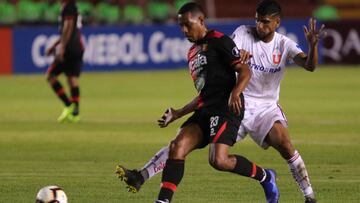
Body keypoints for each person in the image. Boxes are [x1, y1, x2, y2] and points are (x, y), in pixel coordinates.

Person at [117, 1, 325, 203]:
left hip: (259, 107)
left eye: (265, 22)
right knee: (183, 146)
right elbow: (228, 60)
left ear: (277, 22)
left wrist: (313, 46)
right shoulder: (240, 34)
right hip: (231, 102)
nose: (260, 26)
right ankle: (143, 176)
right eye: (257, 21)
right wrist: (180, 111)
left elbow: (308, 65)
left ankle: (308, 196)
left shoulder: (283, 43)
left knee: (285, 145)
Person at [46, 0, 84, 123]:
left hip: (69, 48)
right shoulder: (72, 7)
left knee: (51, 76)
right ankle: (75, 113)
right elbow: (69, 30)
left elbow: (68, 27)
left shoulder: (69, 7)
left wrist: (61, 47)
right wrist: (54, 45)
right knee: (72, 78)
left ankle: (69, 106)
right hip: (77, 46)